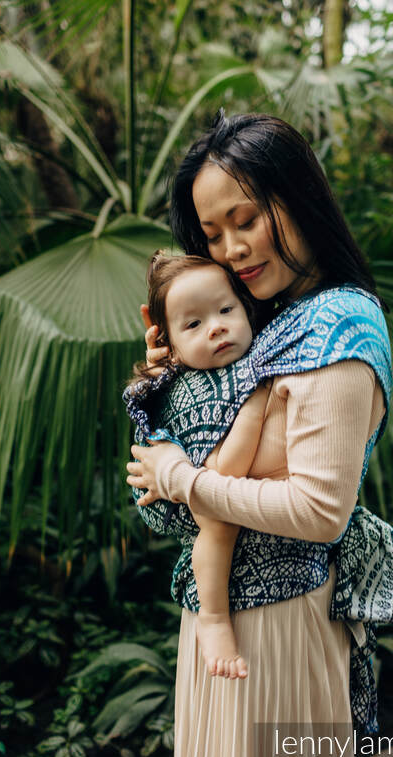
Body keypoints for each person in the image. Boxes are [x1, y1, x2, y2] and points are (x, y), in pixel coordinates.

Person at [125, 111, 393, 757]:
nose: (232, 250)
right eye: (211, 235)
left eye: (244, 219)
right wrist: (165, 383)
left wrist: (181, 478)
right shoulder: (260, 322)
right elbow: (159, 505)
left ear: (295, 196)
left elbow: (317, 512)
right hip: (214, 618)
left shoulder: (339, 326)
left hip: (276, 626)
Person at [125, 250, 271, 680]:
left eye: (226, 310)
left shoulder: (248, 358)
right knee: (219, 521)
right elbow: (225, 474)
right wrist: (256, 405)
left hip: (185, 479)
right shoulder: (196, 387)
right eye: (194, 324)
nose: (217, 327)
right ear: (171, 343)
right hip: (178, 485)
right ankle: (214, 617)